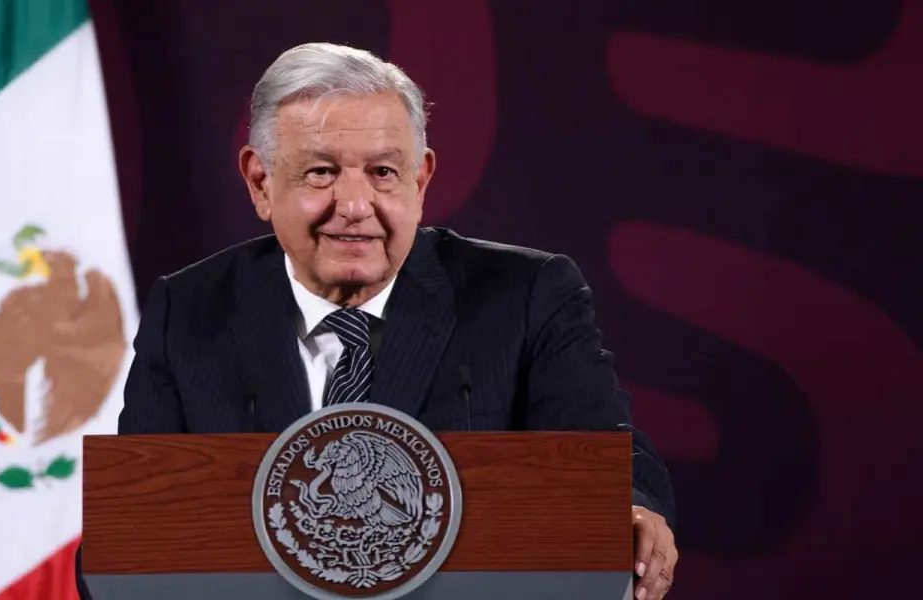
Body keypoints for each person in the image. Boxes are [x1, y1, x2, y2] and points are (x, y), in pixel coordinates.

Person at [84, 42, 678, 600]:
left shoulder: (525, 295)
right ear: (260, 183)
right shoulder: (188, 310)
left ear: (420, 181)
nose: (354, 205)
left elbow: (608, 453)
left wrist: (631, 508)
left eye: (383, 173)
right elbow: (141, 514)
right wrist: (119, 551)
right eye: (320, 172)